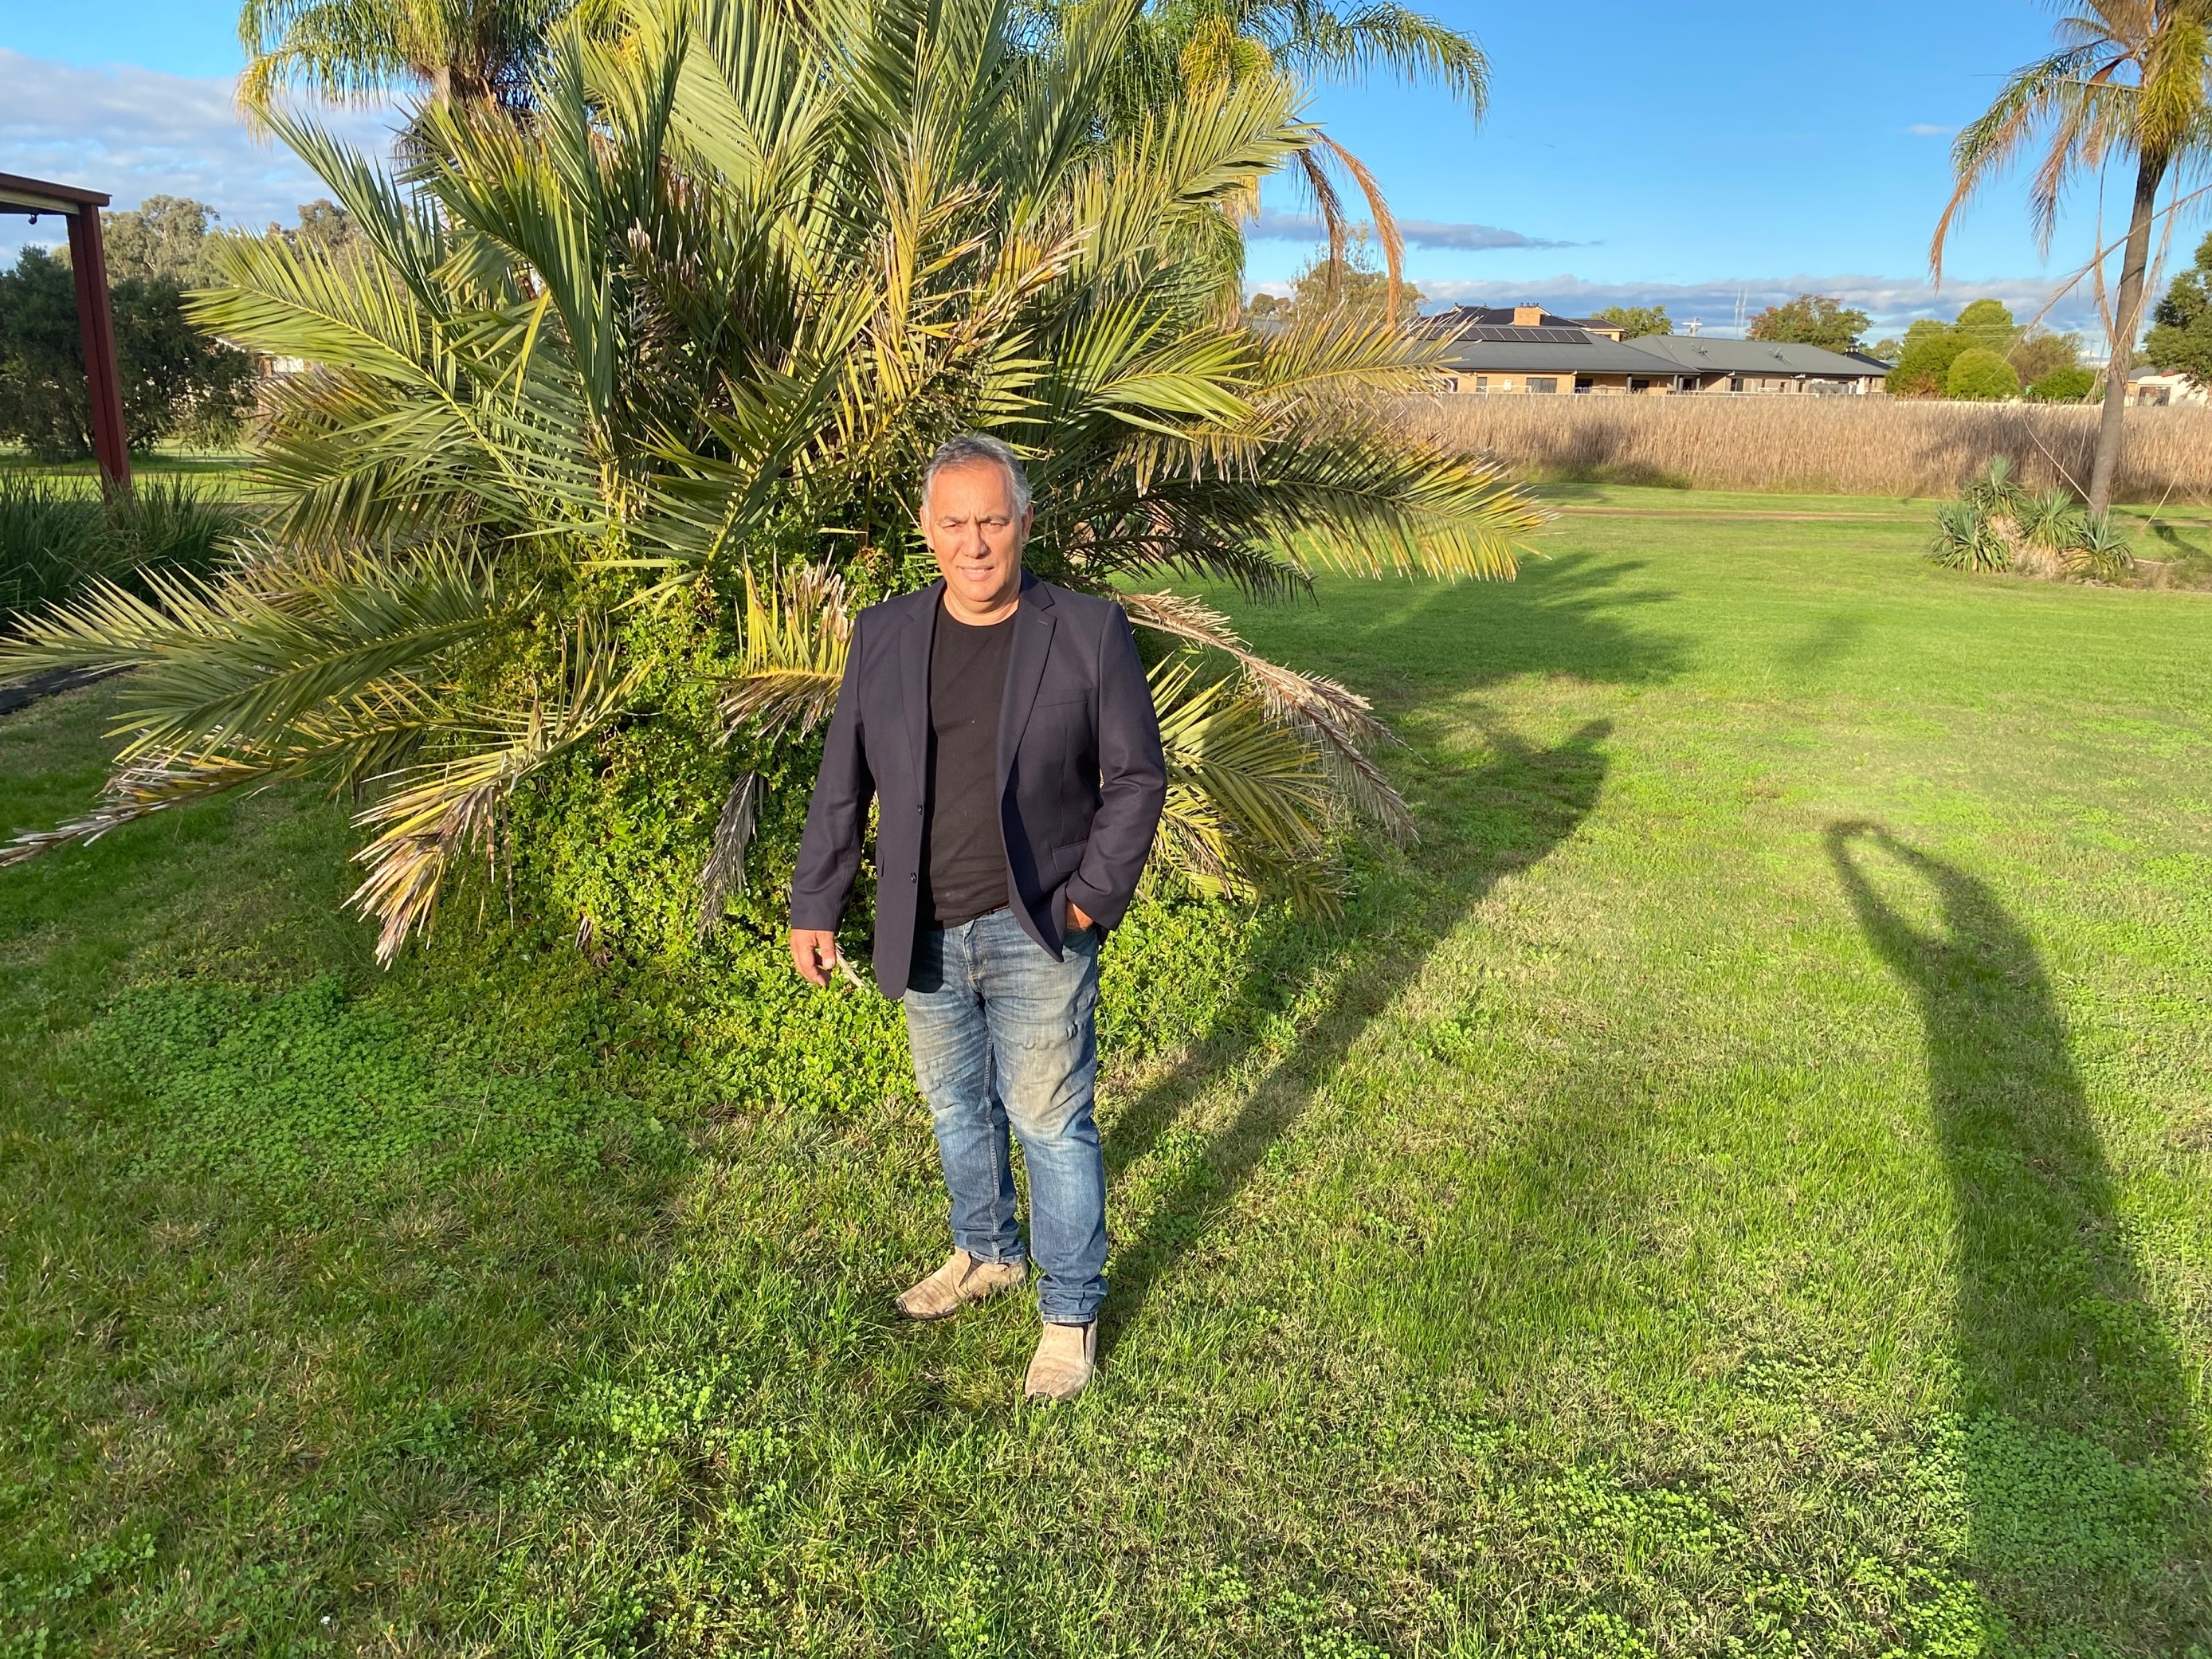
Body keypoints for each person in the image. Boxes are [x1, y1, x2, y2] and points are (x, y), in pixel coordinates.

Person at [789, 433, 1167, 1403]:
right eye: (954, 522)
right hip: (921, 925)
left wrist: (1086, 898)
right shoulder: (884, 634)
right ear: (927, 529)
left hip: (1036, 924)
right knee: (957, 1105)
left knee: (1049, 1120)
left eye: (991, 520)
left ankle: (1069, 1311)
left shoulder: (1085, 630)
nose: (974, 542)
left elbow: (1135, 778)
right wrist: (816, 903)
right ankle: (987, 1251)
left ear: (1023, 523)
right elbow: (843, 782)